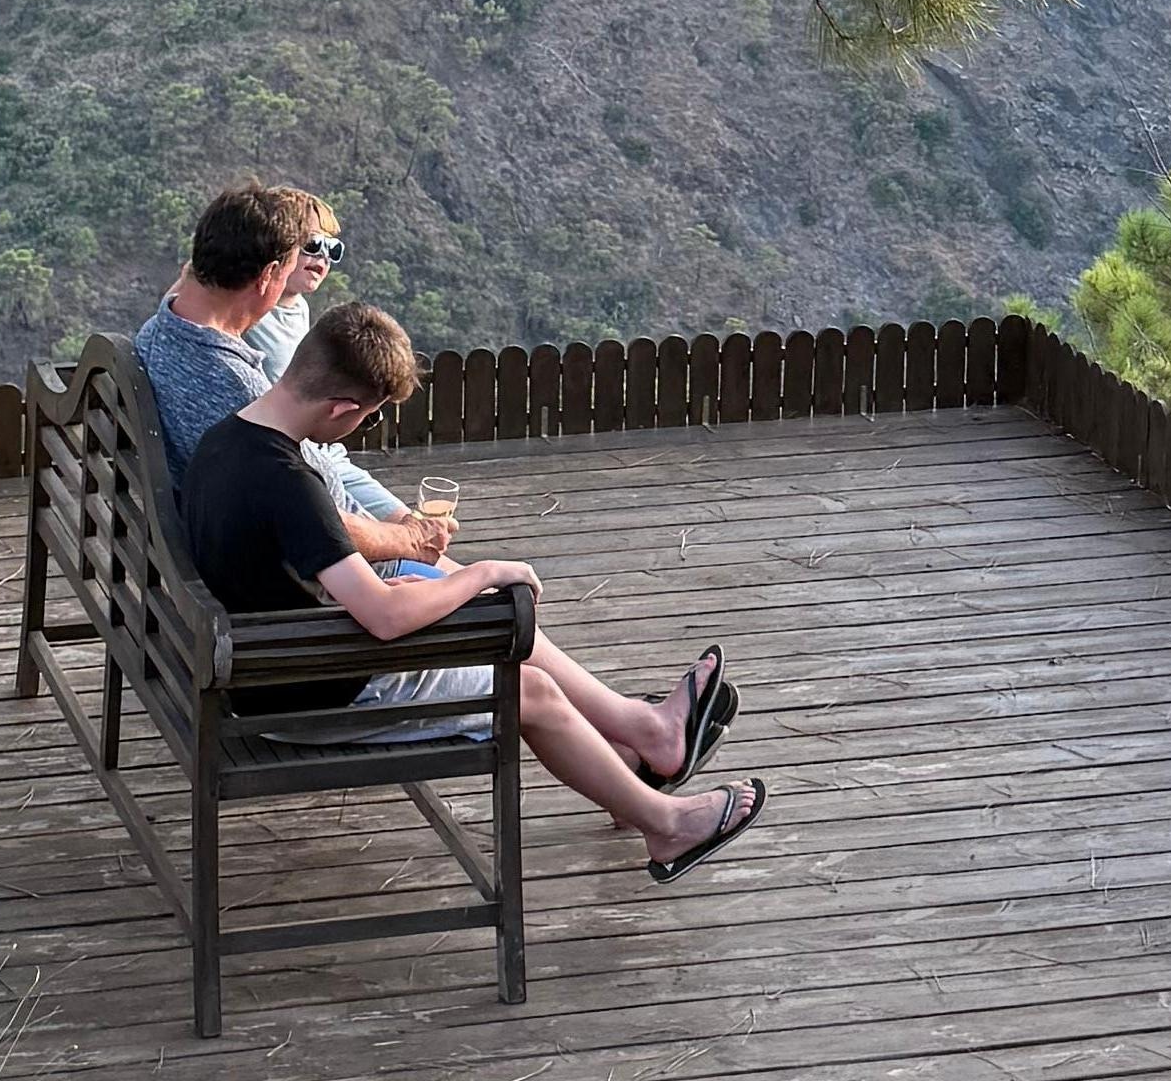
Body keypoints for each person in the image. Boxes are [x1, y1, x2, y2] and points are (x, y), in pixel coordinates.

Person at [179, 302, 763, 880]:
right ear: (342, 408)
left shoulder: (222, 442)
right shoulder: (291, 485)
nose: (364, 427)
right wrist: (479, 572)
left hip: (271, 660)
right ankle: (666, 825)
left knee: (481, 617)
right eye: (371, 417)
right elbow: (382, 617)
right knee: (531, 693)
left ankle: (636, 757)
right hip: (307, 697)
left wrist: (436, 590)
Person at [133, 184, 439, 555]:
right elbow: (318, 519)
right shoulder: (240, 393)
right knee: (495, 591)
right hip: (288, 569)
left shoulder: (159, 329)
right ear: (268, 277)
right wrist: (405, 539)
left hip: (207, 539)